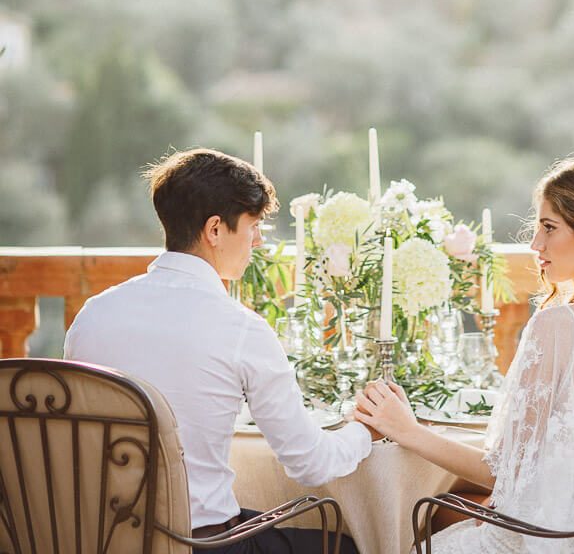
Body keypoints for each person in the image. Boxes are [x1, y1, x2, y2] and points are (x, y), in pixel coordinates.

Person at [354, 157, 574, 553]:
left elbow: (505, 474)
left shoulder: (560, 326)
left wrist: (407, 430)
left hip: (549, 543)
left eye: (549, 228)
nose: (535, 244)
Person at [64, 148, 371, 554]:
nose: (259, 241)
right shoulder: (240, 328)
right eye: (253, 225)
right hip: (196, 544)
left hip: (90, 539)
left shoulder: (93, 314)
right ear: (214, 230)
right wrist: (366, 430)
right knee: (342, 545)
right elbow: (309, 462)